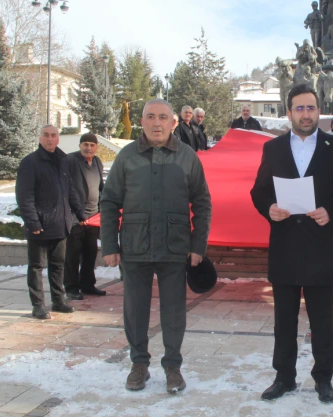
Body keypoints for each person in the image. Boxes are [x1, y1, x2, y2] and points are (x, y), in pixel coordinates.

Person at [251, 84, 333, 404]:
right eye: (299, 108)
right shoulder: (273, 149)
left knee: (322, 321)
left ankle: (323, 379)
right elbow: (259, 191)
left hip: (320, 247)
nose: (305, 114)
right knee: (284, 321)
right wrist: (269, 208)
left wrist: (331, 211)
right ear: (289, 113)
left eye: (310, 108)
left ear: (319, 111)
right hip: (285, 246)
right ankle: (284, 377)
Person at [101, 99, 212, 393]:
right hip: (135, 247)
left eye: (163, 117)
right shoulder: (127, 157)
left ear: (173, 123)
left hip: (175, 248)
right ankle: (139, 364)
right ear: (142, 122)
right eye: (150, 117)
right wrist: (109, 245)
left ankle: (173, 366)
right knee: (135, 310)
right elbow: (109, 201)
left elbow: (202, 203)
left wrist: (198, 246)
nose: (157, 123)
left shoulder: (187, 156)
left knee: (174, 311)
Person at [16, 125, 87, 320]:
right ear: (40, 138)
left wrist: (80, 213)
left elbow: (69, 189)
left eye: (53, 135)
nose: (50, 139)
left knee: (58, 265)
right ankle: (38, 305)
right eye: (46, 135)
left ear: (58, 139)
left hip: (60, 224)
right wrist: (33, 222)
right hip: (40, 226)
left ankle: (58, 300)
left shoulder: (62, 160)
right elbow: (24, 196)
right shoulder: (30, 162)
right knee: (36, 266)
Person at [64, 133, 106, 301]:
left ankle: (87, 284)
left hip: (93, 216)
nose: (89, 148)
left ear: (96, 147)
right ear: (80, 145)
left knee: (90, 253)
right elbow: (66, 188)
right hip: (76, 217)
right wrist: (76, 212)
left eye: (92, 145)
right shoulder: (70, 160)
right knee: (73, 254)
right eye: (85, 144)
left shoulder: (97, 162)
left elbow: (101, 187)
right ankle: (71, 288)